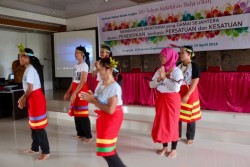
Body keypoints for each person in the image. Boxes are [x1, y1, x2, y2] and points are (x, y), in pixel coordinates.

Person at [80, 57, 126, 167]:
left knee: (107, 150)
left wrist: (93, 101)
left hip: (112, 118)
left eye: (101, 69)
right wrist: (91, 96)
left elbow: (110, 110)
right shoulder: (101, 83)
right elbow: (97, 97)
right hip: (103, 117)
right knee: (106, 150)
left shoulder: (114, 87)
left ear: (109, 70)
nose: (99, 72)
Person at [17, 44, 50, 160]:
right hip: (32, 97)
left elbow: (30, 89)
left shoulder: (30, 69)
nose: (20, 58)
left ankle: (46, 151)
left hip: (35, 98)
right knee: (33, 125)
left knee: (39, 126)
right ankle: (35, 147)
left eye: (22, 56)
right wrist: (25, 97)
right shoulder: (28, 68)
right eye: (19, 56)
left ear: (28, 57)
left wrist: (23, 97)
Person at [149, 48, 183, 158]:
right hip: (160, 99)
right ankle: (165, 146)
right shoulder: (160, 70)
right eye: (160, 56)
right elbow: (151, 85)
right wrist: (159, 78)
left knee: (172, 123)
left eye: (163, 56)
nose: (161, 58)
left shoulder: (177, 71)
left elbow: (176, 88)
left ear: (170, 57)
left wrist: (164, 79)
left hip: (172, 100)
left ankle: (173, 148)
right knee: (162, 122)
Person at [64, 45, 92, 143]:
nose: (75, 54)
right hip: (75, 90)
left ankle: (88, 135)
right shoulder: (75, 66)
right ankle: (80, 133)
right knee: (76, 113)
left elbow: (83, 80)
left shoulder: (84, 65)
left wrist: (75, 93)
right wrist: (68, 92)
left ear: (82, 54)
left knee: (83, 114)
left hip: (81, 91)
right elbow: (73, 81)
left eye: (77, 52)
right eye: (75, 52)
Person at [178, 46, 202, 145]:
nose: (180, 55)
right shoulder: (178, 65)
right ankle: (177, 134)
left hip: (190, 91)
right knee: (177, 114)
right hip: (179, 91)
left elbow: (195, 81)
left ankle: (190, 136)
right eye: (180, 53)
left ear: (189, 54)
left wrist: (187, 94)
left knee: (190, 114)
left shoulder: (195, 66)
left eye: (182, 53)